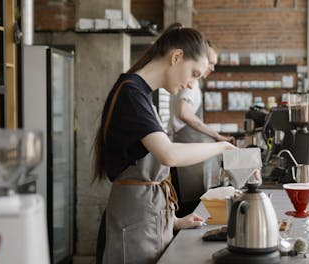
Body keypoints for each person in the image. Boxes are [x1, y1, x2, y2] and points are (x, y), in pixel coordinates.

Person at [92, 23, 236, 264]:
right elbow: (168, 154)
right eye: (194, 74)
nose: (191, 84)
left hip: (146, 222)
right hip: (134, 228)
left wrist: (175, 222)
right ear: (176, 57)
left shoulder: (143, 95)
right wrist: (221, 146)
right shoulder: (131, 94)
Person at [169, 41, 234, 217]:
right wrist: (217, 136)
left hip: (187, 157)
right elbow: (185, 113)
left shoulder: (192, 83)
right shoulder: (192, 85)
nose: (211, 68)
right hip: (185, 158)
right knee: (188, 209)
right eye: (210, 62)